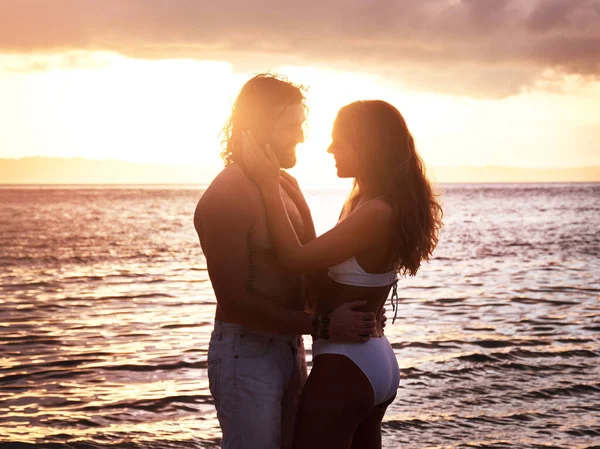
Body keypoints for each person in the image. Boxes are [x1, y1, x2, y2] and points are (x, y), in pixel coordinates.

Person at [243, 99, 444, 449]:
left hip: (347, 364)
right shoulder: (368, 202)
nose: (329, 148)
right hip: (369, 359)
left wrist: (267, 185)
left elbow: (295, 258)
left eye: (340, 140)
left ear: (367, 145)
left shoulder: (376, 212)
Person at [194, 74, 380, 449]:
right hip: (245, 355)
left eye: (301, 124)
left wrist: (365, 299)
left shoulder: (286, 186)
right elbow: (234, 303)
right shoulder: (227, 194)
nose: (301, 136)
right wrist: (325, 325)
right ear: (260, 125)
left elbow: (311, 268)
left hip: (292, 347)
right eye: (292, 126)